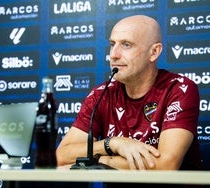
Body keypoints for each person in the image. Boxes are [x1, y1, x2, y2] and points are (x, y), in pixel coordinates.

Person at [55, 14, 201, 172]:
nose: (113, 54)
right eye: (112, 44)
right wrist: (113, 143)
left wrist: (97, 161)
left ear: (154, 52)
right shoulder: (102, 94)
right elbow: (61, 156)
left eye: (126, 45)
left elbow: (164, 166)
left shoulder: (179, 89)